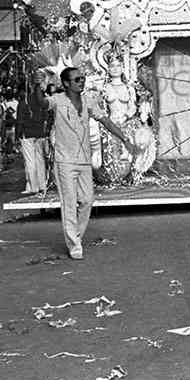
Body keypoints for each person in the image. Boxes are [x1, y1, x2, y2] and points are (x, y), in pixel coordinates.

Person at [47, 67, 129, 258]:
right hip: (65, 160)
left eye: (82, 79)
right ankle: (74, 245)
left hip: (84, 160)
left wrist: (124, 138)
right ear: (66, 83)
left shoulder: (88, 101)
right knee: (69, 202)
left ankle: (76, 236)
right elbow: (41, 104)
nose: (81, 82)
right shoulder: (57, 100)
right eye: (77, 79)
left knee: (87, 200)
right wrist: (36, 85)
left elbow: (105, 120)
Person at [17, 78, 51, 194]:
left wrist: (18, 135)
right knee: (40, 160)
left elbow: (20, 121)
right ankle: (42, 185)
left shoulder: (24, 102)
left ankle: (33, 187)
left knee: (30, 161)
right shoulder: (43, 101)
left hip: (27, 134)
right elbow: (47, 118)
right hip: (39, 133)